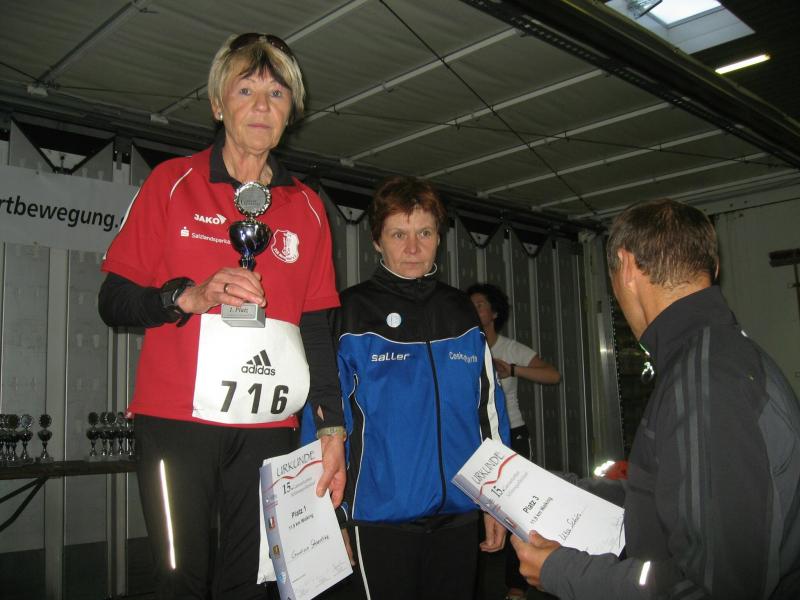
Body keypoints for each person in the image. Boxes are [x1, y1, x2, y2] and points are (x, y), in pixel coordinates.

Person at [98, 33, 345, 599]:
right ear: (217, 104)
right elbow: (113, 301)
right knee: (177, 577)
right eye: (245, 89)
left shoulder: (308, 208)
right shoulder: (171, 183)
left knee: (253, 581)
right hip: (176, 423)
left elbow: (317, 330)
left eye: (277, 93)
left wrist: (332, 429)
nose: (261, 105)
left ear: (291, 111)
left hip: (270, 427)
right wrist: (187, 297)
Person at [510, 199, 800, 599]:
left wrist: (564, 572)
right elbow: (671, 494)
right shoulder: (711, 356)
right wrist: (553, 490)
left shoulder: (706, 381)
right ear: (713, 267)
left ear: (627, 266)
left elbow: (713, 588)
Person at [303, 176, 511, 600]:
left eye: (425, 233)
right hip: (379, 518)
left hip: (459, 513)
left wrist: (498, 501)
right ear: (377, 241)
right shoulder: (349, 313)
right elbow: (321, 422)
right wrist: (330, 518)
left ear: (439, 239)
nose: (413, 247)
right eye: (399, 234)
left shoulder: (461, 312)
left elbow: (489, 414)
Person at [467, 282, 560, 600]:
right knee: (473, 512)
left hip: (512, 436)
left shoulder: (509, 347)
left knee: (516, 511)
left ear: (494, 313)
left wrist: (514, 370)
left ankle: (516, 587)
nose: (474, 309)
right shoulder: (463, 346)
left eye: (480, 304)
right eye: (470, 305)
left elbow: (553, 375)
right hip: (476, 440)